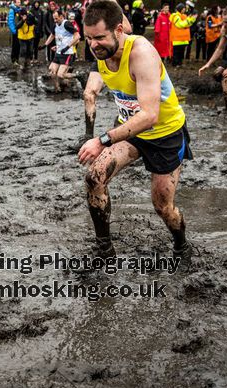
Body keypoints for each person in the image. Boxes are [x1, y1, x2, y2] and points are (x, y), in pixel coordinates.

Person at [78, 0, 193, 267]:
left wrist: (101, 140)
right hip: (131, 131)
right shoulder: (106, 42)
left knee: (162, 206)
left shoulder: (141, 53)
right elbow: (114, 9)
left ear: (119, 31)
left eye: (99, 38)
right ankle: (105, 251)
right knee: (95, 177)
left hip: (164, 133)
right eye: (88, 38)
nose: (94, 45)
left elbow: (150, 116)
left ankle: (181, 244)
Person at [43, 9, 83, 92]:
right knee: (52, 71)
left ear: (61, 17)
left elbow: (78, 36)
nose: (55, 20)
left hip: (67, 53)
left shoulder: (67, 24)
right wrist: (45, 45)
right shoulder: (55, 25)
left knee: (61, 74)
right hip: (59, 52)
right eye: (54, 18)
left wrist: (67, 47)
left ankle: (79, 76)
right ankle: (57, 88)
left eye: (56, 18)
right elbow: (52, 35)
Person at [170, 3, 197, 67]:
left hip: (183, 39)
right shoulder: (175, 16)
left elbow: (188, 24)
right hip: (177, 39)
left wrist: (192, 18)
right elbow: (181, 25)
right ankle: (175, 64)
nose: (185, 10)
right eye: (184, 9)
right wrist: (189, 19)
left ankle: (179, 63)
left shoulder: (184, 16)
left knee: (181, 52)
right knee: (176, 52)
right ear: (180, 9)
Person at [8, 0, 21, 66]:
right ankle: (13, 60)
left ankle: (17, 59)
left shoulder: (20, 10)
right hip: (14, 31)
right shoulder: (12, 10)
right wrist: (14, 31)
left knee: (18, 46)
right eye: (18, 2)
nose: (19, 3)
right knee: (14, 46)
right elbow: (10, 21)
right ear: (15, 3)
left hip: (20, 31)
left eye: (20, 2)